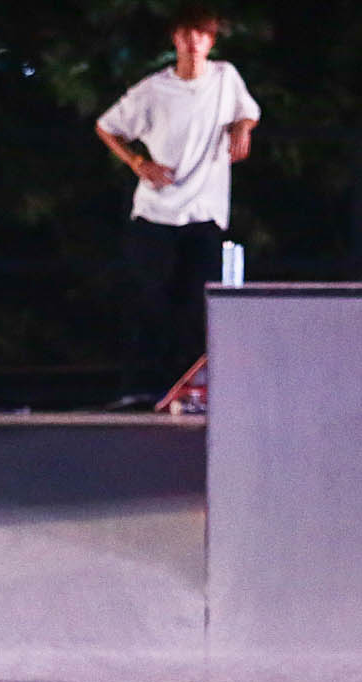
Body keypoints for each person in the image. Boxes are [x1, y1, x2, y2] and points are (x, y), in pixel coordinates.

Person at [95, 5, 259, 408]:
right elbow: (106, 125)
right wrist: (138, 162)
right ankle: (140, 385)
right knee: (151, 296)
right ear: (176, 39)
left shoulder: (225, 78)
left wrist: (241, 129)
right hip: (156, 211)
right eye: (187, 35)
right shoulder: (154, 89)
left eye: (201, 35)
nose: (193, 43)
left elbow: (248, 112)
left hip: (204, 211)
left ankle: (191, 386)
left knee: (198, 301)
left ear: (211, 41)